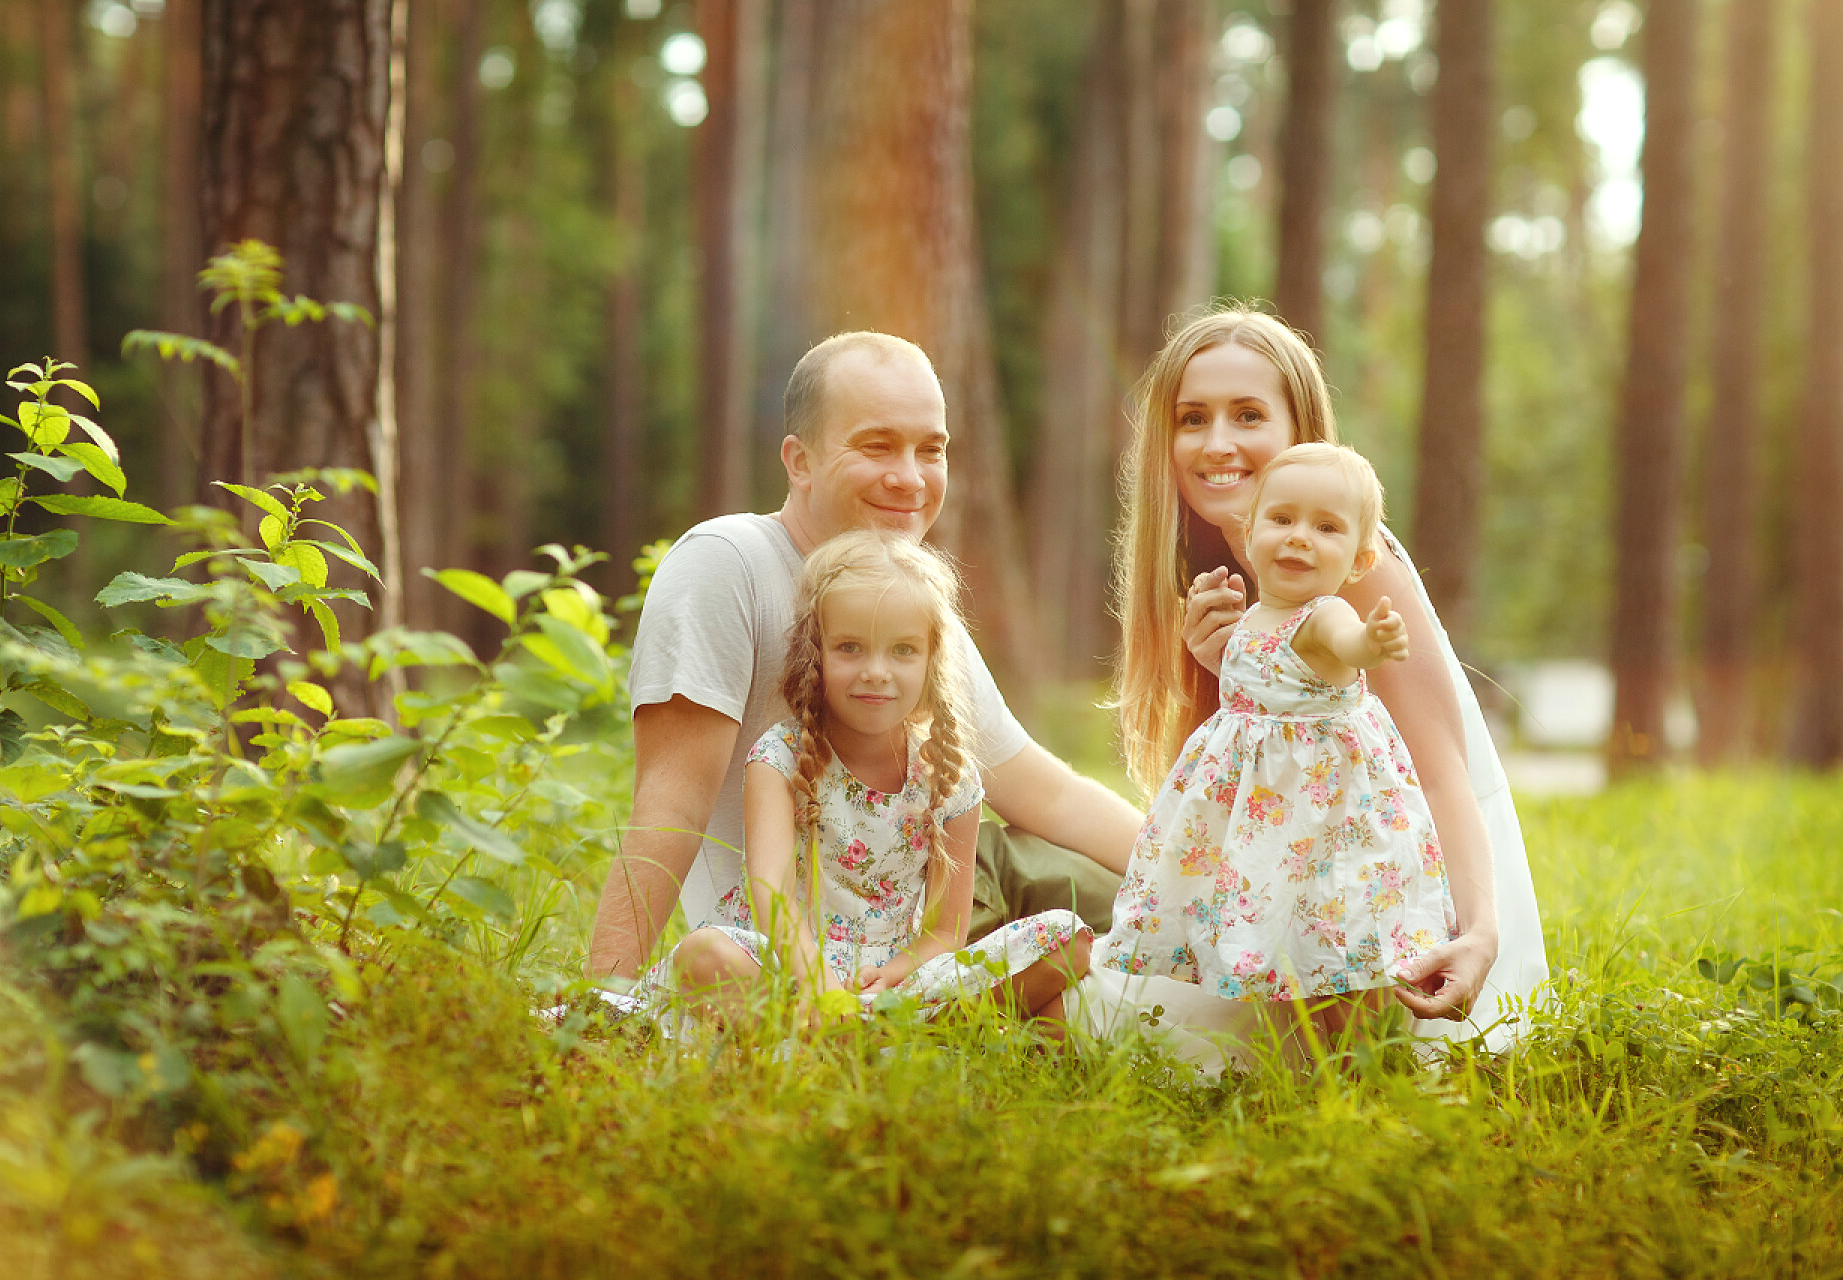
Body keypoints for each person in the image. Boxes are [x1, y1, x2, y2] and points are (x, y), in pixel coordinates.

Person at [584, 331, 1137, 986]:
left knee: (1129, 905)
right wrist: (602, 999)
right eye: (877, 446)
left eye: (930, 451)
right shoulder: (729, 562)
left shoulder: (908, 607)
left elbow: (1049, 795)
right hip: (785, 951)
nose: (909, 478)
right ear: (800, 461)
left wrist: (1205, 870)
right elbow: (671, 801)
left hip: (926, 927)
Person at [1074, 307, 1548, 1059]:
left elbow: (1442, 770)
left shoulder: (1351, 559)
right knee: (1118, 1029)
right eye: (1193, 418)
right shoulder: (1221, 560)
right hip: (1286, 886)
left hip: (1405, 890)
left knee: (1161, 1043)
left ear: (1302, 432)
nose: (1218, 443)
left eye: (1249, 415)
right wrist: (1225, 672)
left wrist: (1481, 930)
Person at [649, 532, 1091, 1032]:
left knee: (1066, 938)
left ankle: (870, 1035)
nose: (876, 672)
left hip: (895, 987)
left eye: (903, 650)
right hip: (790, 969)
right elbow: (773, 898)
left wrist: (894, 976)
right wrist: (817, 982)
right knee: (706, 956)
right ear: (815, 653)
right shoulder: (780, 758)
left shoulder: (950, 775)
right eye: (850, 648)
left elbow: (947, 932)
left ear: (932, 661)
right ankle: (843, 1038)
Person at [1102, 443, 1456, 1043]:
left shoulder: (1325, 616)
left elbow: (1348, 645)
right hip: (1257, 818)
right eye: (1282, 519)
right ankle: (1288, 1051)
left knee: (1333, 934)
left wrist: (1373, 641)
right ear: (1251, 527)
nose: (1299, 537)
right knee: (1273, 932)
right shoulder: (1252, 622)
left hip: (1322, 820)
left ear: (1359, 558)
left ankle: (1356, 1059)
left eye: (1326, 527)